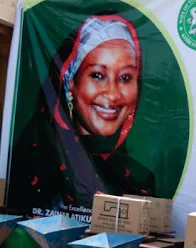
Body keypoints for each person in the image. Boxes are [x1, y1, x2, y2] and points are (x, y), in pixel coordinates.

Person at [7, 13, 156, 214]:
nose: (113, 94)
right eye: (97, 75)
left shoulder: (141, 180)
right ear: (71, 83)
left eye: (125, 77)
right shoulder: (35, 162)